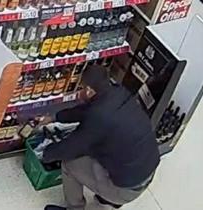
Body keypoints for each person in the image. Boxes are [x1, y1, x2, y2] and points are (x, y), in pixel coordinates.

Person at [43, 66, 160, 210]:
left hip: (127, 188)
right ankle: (108, 200)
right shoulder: (119, 92)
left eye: (81, 87)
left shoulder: (99, 118)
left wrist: (46, 154)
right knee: (103, 151)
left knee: (69, 163)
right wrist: (55, 117)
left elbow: (71, 147)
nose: (79, 91)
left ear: (89, 90)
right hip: (147, 168)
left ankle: (75, 207)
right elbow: (86, 111)